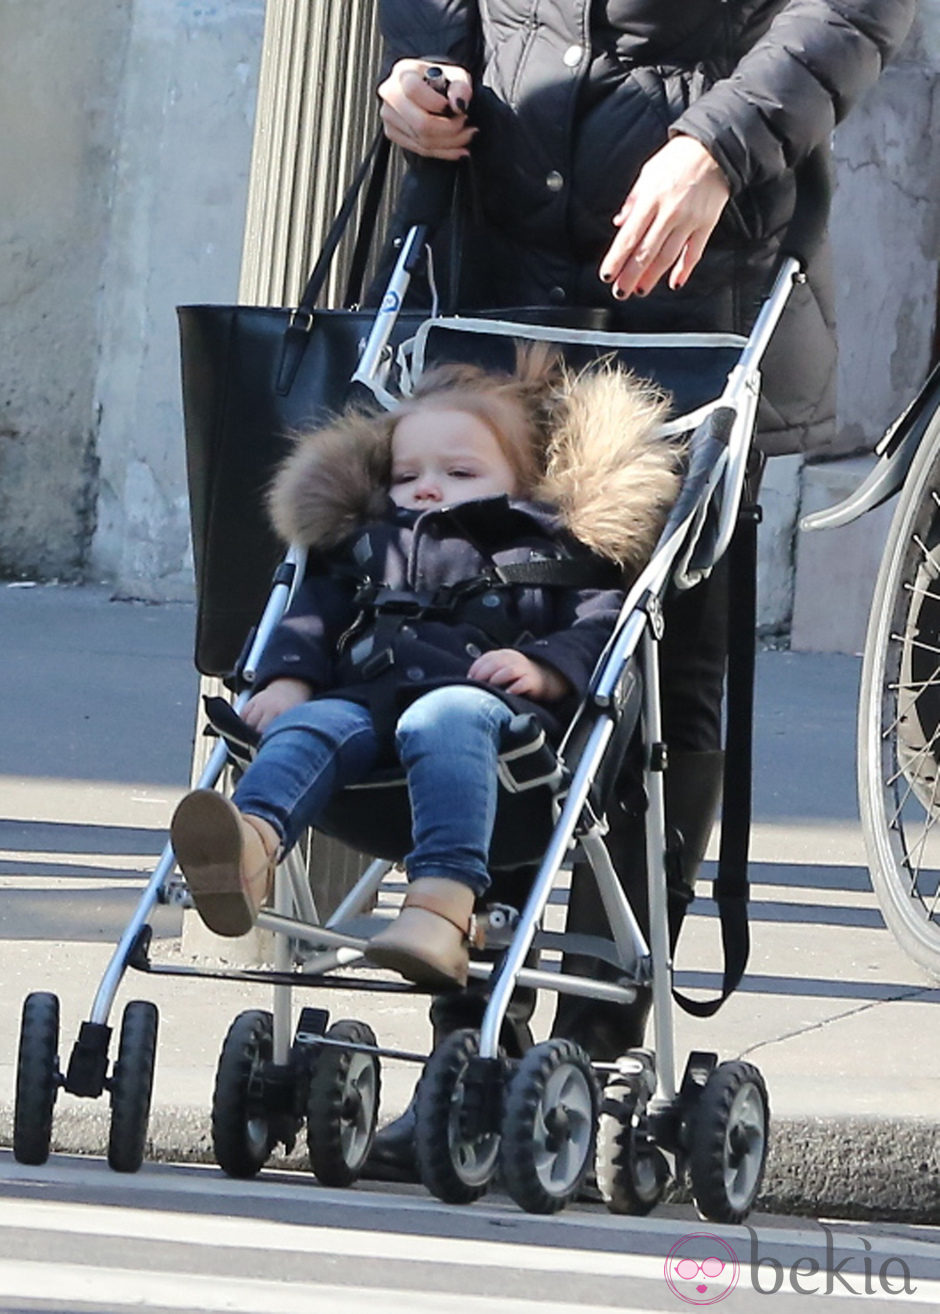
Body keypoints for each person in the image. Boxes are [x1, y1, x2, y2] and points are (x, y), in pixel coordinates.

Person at [365, 0, 916, 1174]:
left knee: (657, 673)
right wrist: (420, 68)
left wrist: (723, 139)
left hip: (696, 274)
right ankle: (472, 1047)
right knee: (473, 636)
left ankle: (599, 1046)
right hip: (501, 253)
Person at [170, 348, 680, 990]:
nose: (429, 488)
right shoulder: (369, 543)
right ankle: (250, 842)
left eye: (461, 471)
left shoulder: (544, 546)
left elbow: (597, 626)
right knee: (312, 724)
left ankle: (442, 902)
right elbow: (311, 614)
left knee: (446, 714)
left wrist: (546, 670)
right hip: (367, 708)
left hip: (489, 725)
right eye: (407, 475)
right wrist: (287, 680)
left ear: (522, 482)